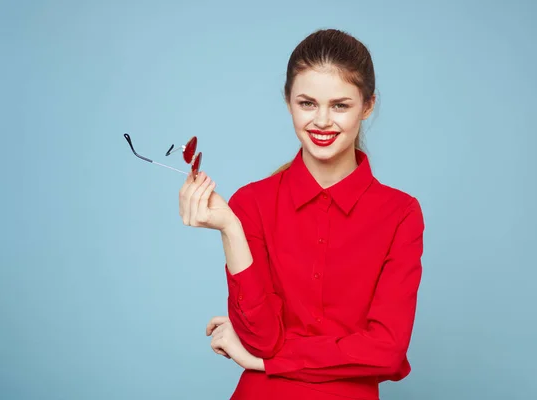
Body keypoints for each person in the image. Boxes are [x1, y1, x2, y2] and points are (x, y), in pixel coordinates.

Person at [178, 28, 425, 400]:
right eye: (307, 103)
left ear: (368, 105)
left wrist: (268, 362)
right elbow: (261, 338)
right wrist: (229, 228)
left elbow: (386, 353)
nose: (322, 121)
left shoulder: (400, 214)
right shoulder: (251, 203)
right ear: (288, 101)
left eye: (340, 105)